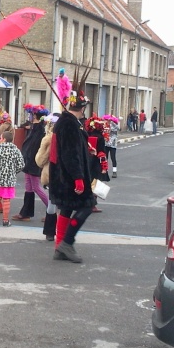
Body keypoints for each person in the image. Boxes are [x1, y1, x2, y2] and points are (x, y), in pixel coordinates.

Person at [49, 67, 96, 263]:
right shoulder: (69, 123)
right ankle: (67, 242)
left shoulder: (69, 122)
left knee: (66, 209)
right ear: (82, 108)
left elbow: (74, 147)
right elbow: (69, 153)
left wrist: (87, 149)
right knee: (88, 205)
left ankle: (60, 248)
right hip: (68, 177)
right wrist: (78, 179)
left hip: (63, 176)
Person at [12, 110, 49, 221]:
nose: (30, 117)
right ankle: (26, 213)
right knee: (28, 187)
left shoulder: (38, 129)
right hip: (29, 161)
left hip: (33, 162)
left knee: (36, 187)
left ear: (35, 116)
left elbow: (34, 147)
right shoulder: (35, 127)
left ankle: (52, 210)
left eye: (32, 115)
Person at [0, 130, 25, 227]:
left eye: (1, 138)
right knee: (6, 200)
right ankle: (6, 221)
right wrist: (13, 172)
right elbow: (21, 165)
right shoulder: (16, 150)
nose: (0, 139)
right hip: (9, 179)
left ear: (4, 139)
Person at [35, 113, 59, 241]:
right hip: (66, 174)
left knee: (52, 204)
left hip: (51, 173)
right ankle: (62, 230)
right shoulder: (69, 137)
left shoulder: (48, 139)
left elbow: (40, 160)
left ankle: (50, 231)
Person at [85, 115, 110, 213]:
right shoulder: (100, 137)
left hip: (87, 161)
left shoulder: (86, 135)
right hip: (96, 162)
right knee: (95, 184)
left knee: (87, 182)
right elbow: (102, 153)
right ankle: (92, 205)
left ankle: (86, 203)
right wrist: (104, 166)